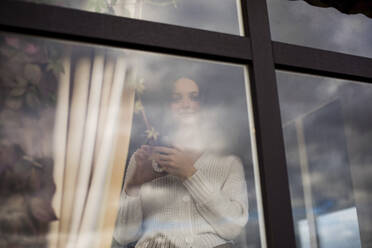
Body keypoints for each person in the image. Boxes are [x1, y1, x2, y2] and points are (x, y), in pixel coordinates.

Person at [113, 77, 249, 248]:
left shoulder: (229, 163)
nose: (186, 104)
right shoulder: (143, 159)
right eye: (176, 99)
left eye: (194, 97)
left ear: (205, 105)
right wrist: (134, 184)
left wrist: (191, 175)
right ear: (166, 107)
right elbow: (123, 236)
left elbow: (233, 228)